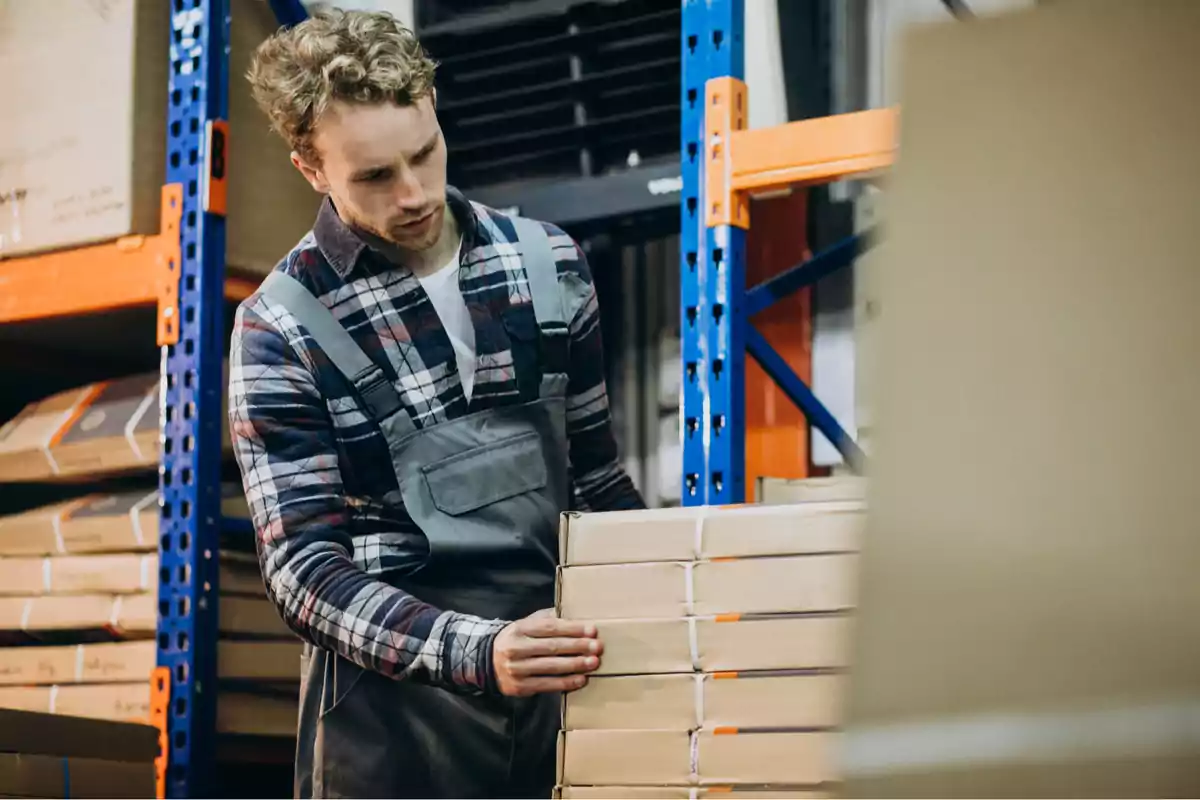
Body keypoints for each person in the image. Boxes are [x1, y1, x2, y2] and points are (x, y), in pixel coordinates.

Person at [228, 8, 646, 798]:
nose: (416, 193)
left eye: (424, 153)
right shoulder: (281, 326)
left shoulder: (548, 265)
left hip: (560, 684)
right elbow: (302, 571)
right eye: (376, 176)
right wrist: (476, 650)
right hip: (392, 723)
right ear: (311, 170)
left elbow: (596, 482)